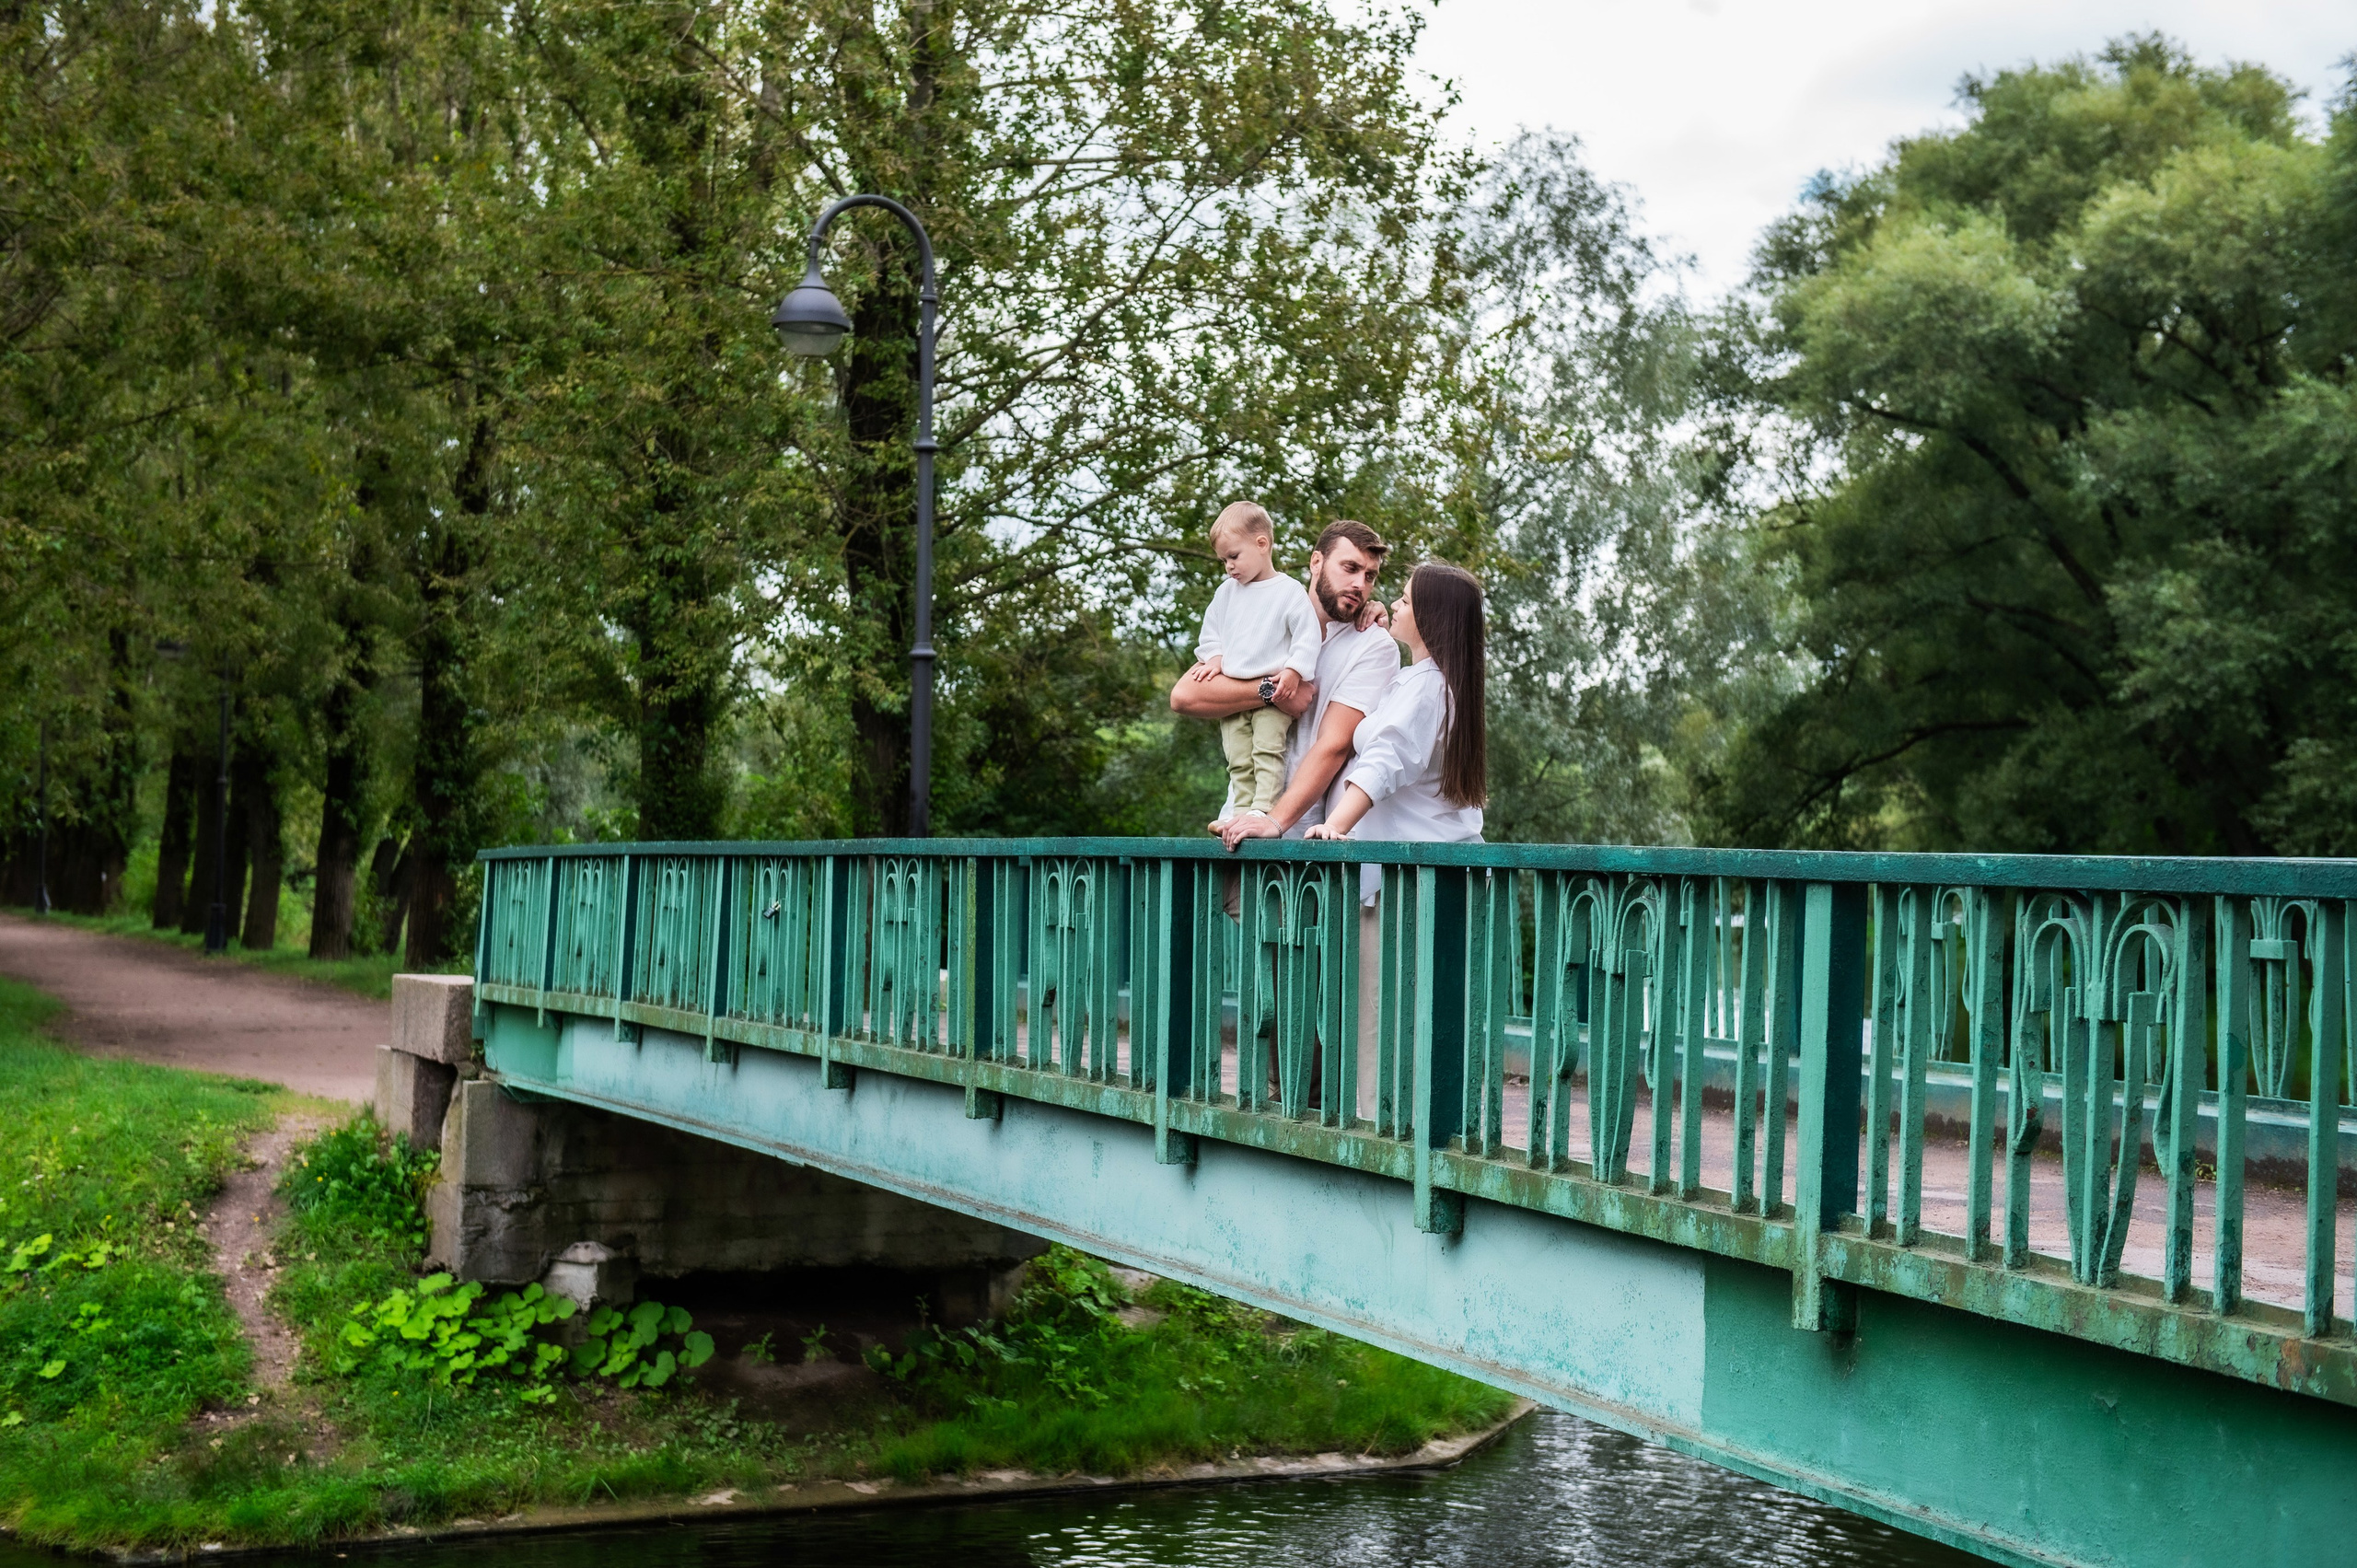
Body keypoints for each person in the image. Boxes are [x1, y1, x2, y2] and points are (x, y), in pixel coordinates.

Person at [1182, 520, 1399, 843]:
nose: (1359, 584)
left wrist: (1274, 823)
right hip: (1234, 828)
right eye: (1350, 568)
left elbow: (1334, 746)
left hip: (1303, 841)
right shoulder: (1267, 609)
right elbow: (1185, 696)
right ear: (1316, 562)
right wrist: (1271, 693)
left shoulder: (1373, 645)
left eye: (1369, 576)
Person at [1306, 561, 1487, 869]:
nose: (1393, 604)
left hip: (1413, 881)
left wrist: (1335, 826)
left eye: (1404, 601)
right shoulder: (1425, 681)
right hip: (1421, 871)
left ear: (1431, 617)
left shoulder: (1427, 686)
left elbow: (1384, 760)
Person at [1186, 502, 1321, 818]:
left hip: (1273, 693)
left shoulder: (1288, 591)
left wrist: (1293, 671)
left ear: (1262, 544)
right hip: (1233, 692)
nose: (1229, 567)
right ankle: (1239, 811)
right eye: (1223, 560)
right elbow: (1211, 633)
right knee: (1237, 757)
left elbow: (1307, 637)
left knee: (1267, 750)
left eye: (1233, 556)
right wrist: (1215, 658)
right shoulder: (1225, 593)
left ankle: (1262, 809)